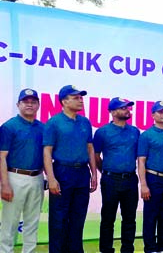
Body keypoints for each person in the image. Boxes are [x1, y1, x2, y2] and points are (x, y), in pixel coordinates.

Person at [43, 85, 98, 253]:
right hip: (62, 171)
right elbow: (47, 151)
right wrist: (51, 178)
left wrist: (94, 173)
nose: (80, 100)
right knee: (59, 218)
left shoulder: (85, 122)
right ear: (64, 101)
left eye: (81, 97)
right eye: (76, 97)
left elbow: (90, 148)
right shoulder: (54, 122)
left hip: (82, 173)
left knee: (78, 217)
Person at [0, 89, 45, 253]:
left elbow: (47, 155)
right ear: (18, 104)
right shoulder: (9, 127)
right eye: (26, 102)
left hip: (37, 177)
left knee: (32, 222)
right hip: (14, 177)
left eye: (33, 102)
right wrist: (5, 184)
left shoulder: (42, 128)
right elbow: (1, 157)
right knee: (9, 222)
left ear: (38, 105)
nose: (30, 105)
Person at [93, 97, 140, 253]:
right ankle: (106, 250)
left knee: (129, 219)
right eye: (123, 108)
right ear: (112, 112)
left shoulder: (135, 131)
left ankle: (127, 249)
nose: (127, 110)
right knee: (108, 218)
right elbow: (95, 156)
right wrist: (106, 171)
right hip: (110, 180)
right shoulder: (102, 132)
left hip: (130, 179)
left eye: (128, 107)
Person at [138, 101, 163, 253]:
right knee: (151, 215)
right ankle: (150, 248)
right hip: (153, 178)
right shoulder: (146, 135)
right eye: (160, 112)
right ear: (153, 115)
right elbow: (141, 161)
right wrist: (143, 184)